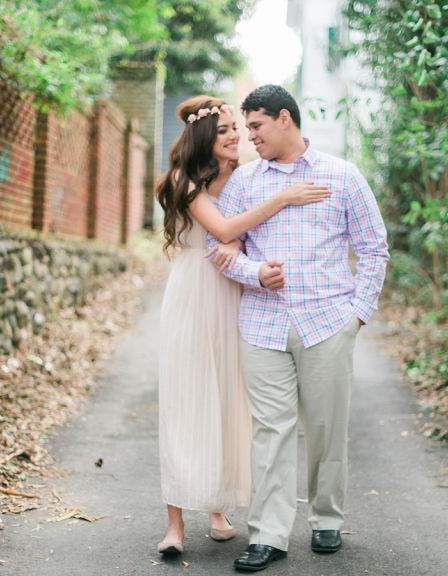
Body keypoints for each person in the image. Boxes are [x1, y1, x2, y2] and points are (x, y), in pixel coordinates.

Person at [207, 85, 389, 572]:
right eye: (246, 129)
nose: (250, 137)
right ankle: (267, 534)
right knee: (271, 431)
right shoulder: (245, 182)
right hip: (262, 324)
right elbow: (220, 247)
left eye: (256, 127)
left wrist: (358, 315)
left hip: (328, 323)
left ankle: (326, 519)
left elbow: (374, 247)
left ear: (284, 119)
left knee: (327, 428)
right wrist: (254, 273)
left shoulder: (343, 176)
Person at [155, 95, 331, 556]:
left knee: (231, 401)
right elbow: (225, 228)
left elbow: (245, 237)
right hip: (194, 294)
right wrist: (283, 197)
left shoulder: (243, 176)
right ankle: (174, 523)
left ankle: (218, 508)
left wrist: (248, 255)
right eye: (227, 129)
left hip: (236, 294)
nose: (237, 136)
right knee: (186, 398)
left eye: (239, 127)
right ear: (204, 139)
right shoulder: (182, 179)